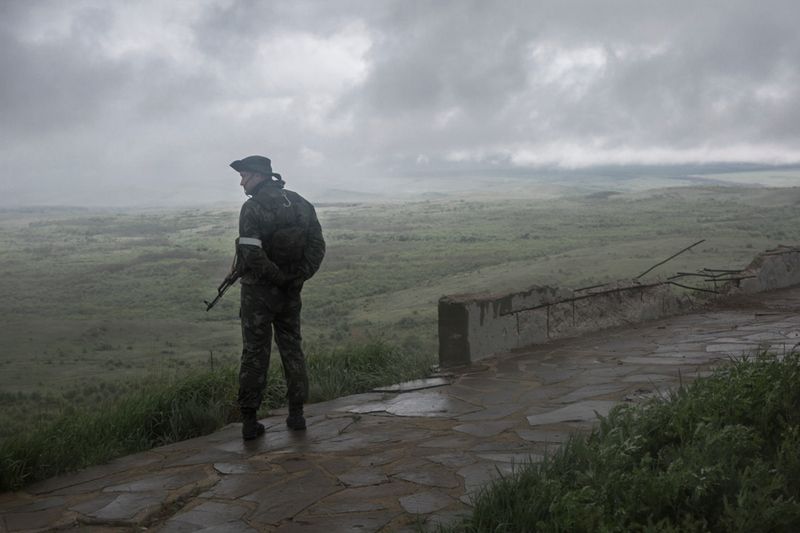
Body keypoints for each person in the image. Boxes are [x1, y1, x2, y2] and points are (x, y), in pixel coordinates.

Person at [231, 155, 325, 440]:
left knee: (255, 353)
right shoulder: (299, 203)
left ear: (259, 176)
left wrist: (276, 278)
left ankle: (249, 421)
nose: (241, 181)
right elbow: (317, 245)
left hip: (258, 293)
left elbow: (251, 254)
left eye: (245, 175)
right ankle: (296, 415)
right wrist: (297, 278)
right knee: (292, 349)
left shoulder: (252, 208)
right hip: (290, 293)